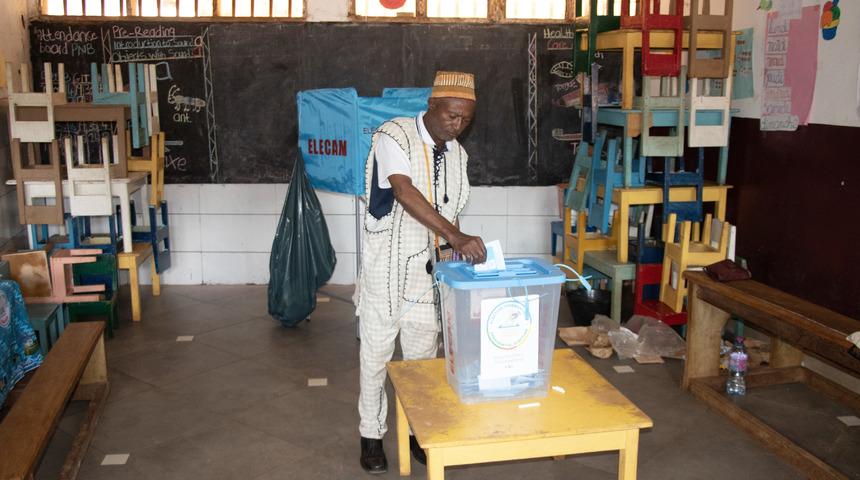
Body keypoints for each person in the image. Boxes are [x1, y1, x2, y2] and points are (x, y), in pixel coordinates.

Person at [357, 71, 487, 474]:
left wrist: (455, 251)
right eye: (451, 116)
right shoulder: (392, 136)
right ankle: (371, 436)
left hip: (428, 278)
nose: (457, 126)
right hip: (386, 273)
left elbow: (451, 207)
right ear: (431, 107)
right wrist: (455, 234)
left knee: (422, 362)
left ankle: (417, 433)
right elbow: (403, 190)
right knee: (376, 358)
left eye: (465, 120)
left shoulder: (458, 156)